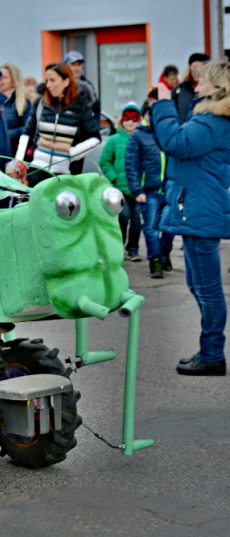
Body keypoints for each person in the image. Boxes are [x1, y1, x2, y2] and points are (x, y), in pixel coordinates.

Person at [152, 60, 230, 376]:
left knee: (207, 288)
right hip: (197, 207)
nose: (195, 88)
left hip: (199, 209)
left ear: (218, 87)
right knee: (197, 283)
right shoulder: (210, 118)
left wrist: (163, 105)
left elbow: (175, 142)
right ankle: (208, 351)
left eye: (201, 83)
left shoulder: (211, 120)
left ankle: (212, 355)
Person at [14, 63, 100, 186]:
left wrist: (73, 154)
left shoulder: (81, 106)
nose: (48, 85)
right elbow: (27, 133)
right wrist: (18, 162)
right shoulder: (41, 103)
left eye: (53, 80)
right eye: (47, 80)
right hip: (36, 171)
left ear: (66, 82)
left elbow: (95, 139)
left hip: (64, 175)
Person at [126, 100, 167, 278]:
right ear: (144, 115)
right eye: (151, 113)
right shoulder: (137, 136)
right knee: (150, 228)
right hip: (147, 192)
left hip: (167, 190)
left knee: (170, 228)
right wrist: (137, 190)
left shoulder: (166, 133)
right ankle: (156, 261)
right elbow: (131, 164)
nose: (153, 117)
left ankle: (165, 253)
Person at [99, 103, 143, 262]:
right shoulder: (114, 140)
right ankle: (119, 246)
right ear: (121, 119)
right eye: (127, 118)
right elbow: (104, 161)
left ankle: (133, 249)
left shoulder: (142, 139)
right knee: (123, 217)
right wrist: (114, 177)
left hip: (138, 189)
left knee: (137, 221)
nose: (130, 122)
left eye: (134, 118)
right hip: (120, 189)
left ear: (140, 119)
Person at [1, 64, 32, 157]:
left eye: (5, 78)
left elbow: (28, 128)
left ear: (14, 81)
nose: (0, 81)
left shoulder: (22, 101)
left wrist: (10, 133)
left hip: (14, 152)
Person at [172, 53, 210, 124]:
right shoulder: (179, 89)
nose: (197, 71)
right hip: (182, 131)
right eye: (195, 67)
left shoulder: (210, 90)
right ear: (190, 69)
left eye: (200, 68)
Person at [62, 51, 99, 117]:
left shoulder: (87, 86)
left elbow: (96, 110)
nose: (76, 68)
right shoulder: (59, 84)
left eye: (79, 65)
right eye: (73, 64)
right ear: (65, 66)